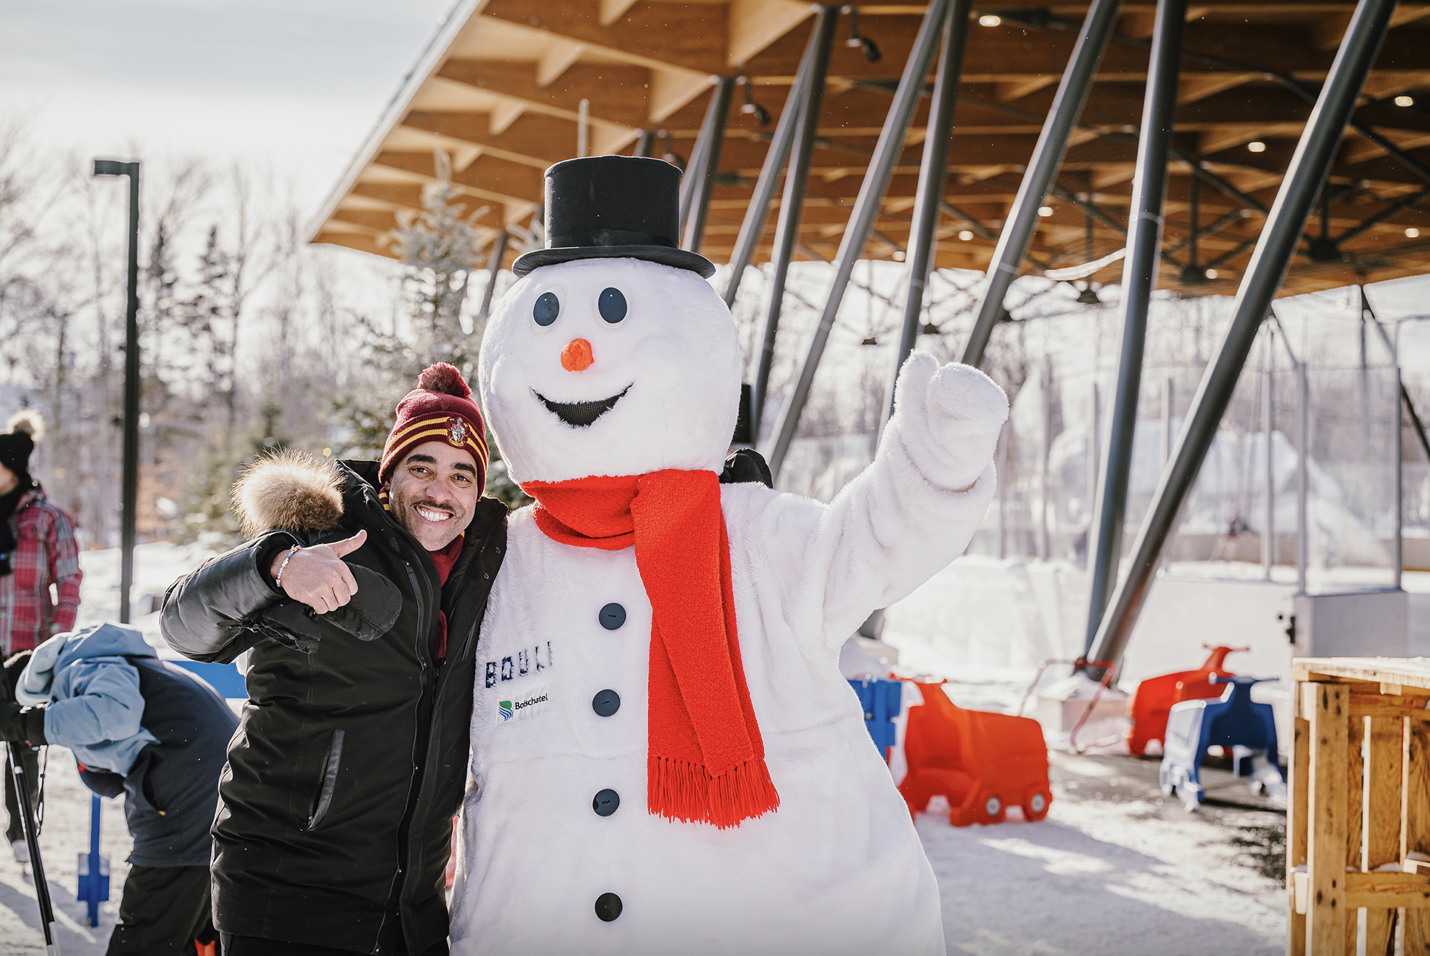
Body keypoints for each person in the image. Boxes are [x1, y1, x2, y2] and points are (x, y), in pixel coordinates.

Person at [160, 363, 507, 956]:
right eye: (420, 468)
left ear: (478, 491)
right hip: (290, 899)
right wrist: (273, 568)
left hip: (411, 911)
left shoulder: (484, 575)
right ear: (388, 477)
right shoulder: (325, 544)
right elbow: (183, 626)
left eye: (461, 474)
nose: (439, 491)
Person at [1, 623, 238, 955]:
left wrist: (27, 723)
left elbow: (114, 715)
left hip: (188, 797)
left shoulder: (84, 667)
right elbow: (110, 772)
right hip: (219, 791)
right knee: (192, 931)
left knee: (146, 936)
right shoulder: (120, 663)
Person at [0, 410, 82, 865]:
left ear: (12, 468)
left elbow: (68, 580)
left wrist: (55, 640)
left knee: (21, 742)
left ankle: (20, 828)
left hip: (24, 650)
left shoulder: (48, 519)